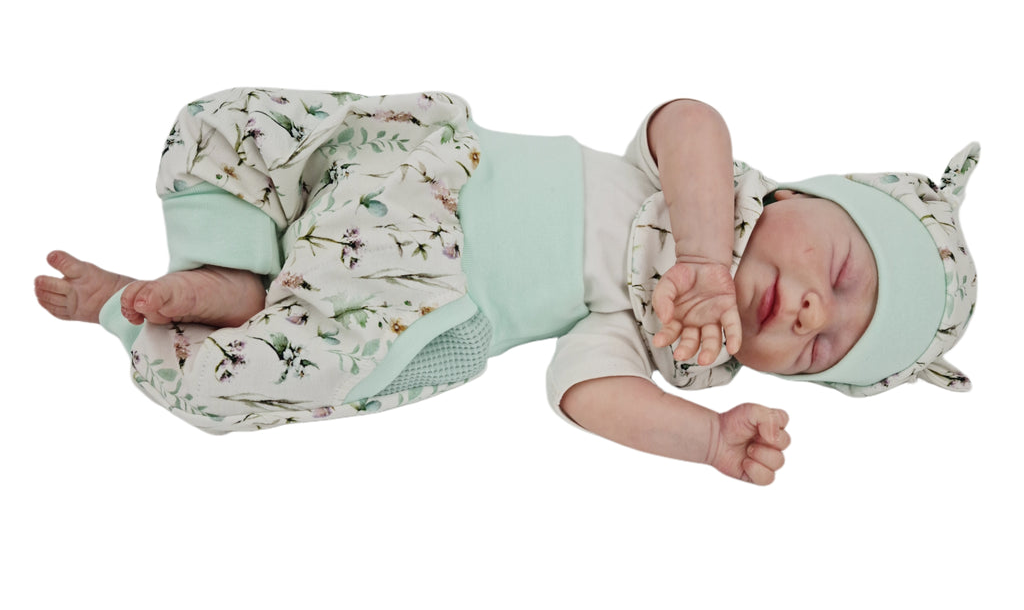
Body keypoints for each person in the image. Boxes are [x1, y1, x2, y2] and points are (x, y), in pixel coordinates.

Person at [34, 88, 979, 485]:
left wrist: (704, 437)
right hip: (419, 165)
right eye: (842, 274)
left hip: (409, 287)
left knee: (286, 372)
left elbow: (582, 390)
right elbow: (689, 118)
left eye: (823, 349)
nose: (813, 312)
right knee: (233, 121)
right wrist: (699, 253)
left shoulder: (647, 331)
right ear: (798, 196)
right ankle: (231, 259)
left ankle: (182, 303)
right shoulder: (691, 186)